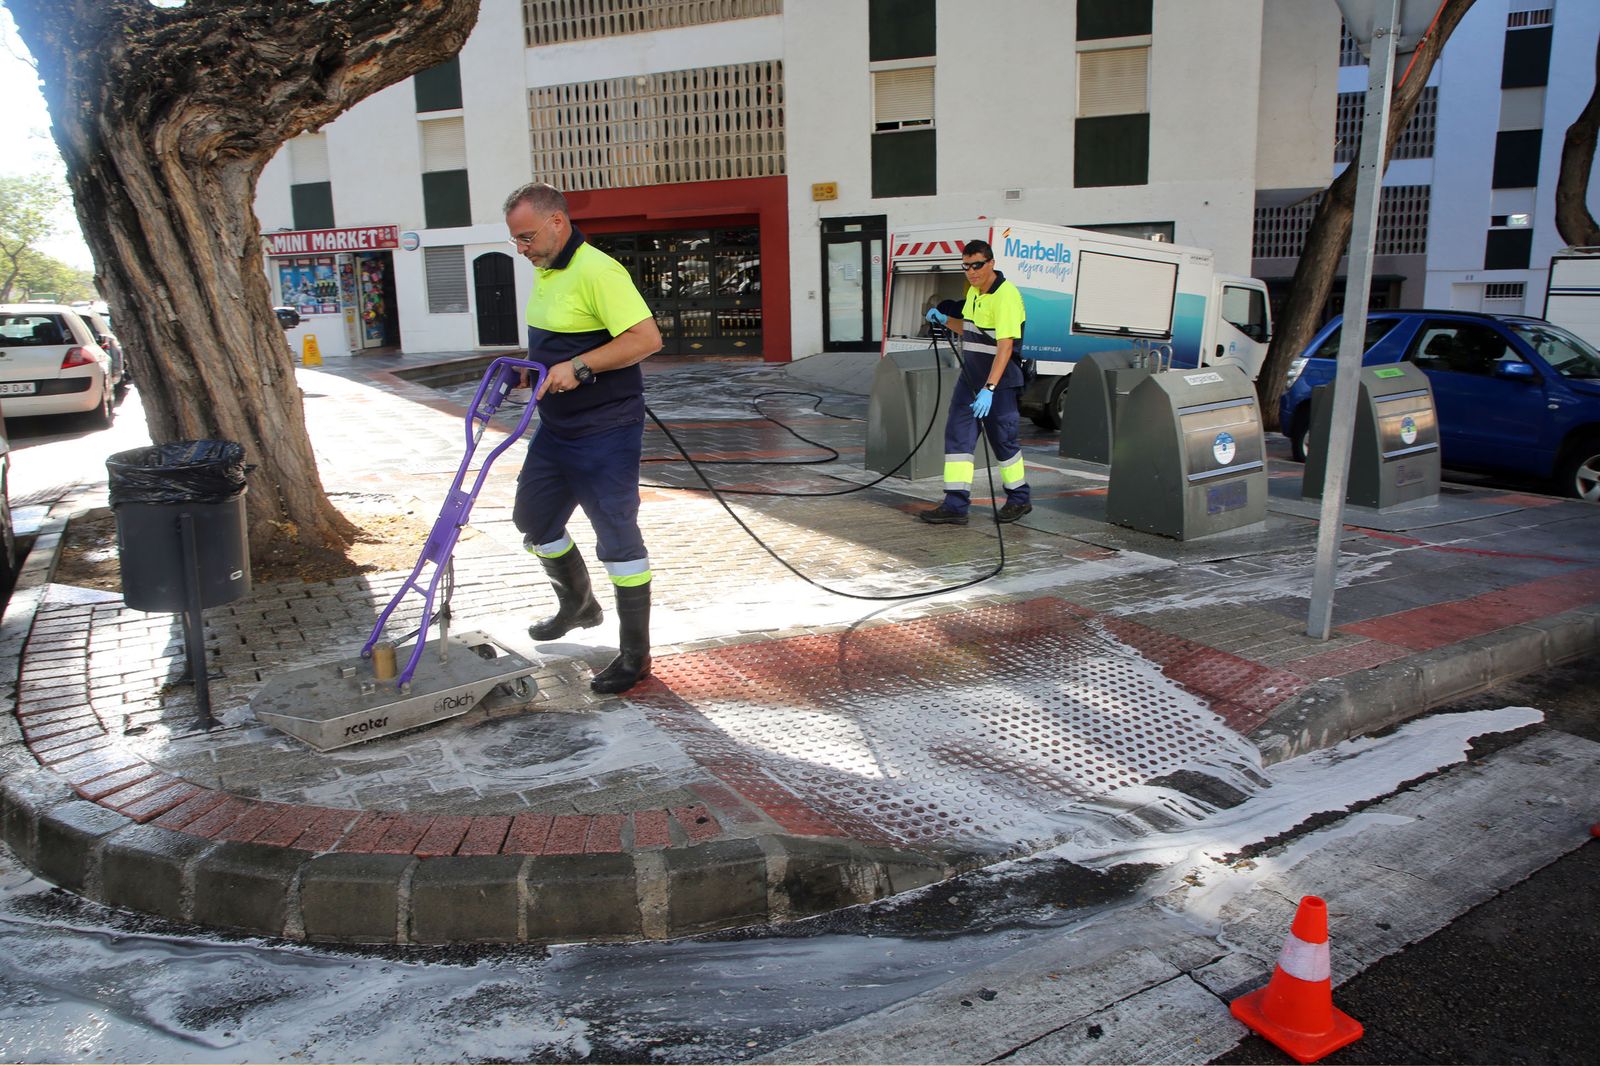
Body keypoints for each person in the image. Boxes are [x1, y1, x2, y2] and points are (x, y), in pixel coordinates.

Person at [504, 182, 664, 693]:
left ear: (557, 222)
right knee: (534, 520)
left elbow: (646, 339)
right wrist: (529, 369)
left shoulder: (599, 270)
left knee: (617, 538)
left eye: (527, 237)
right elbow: (560, 341)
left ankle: (635, 655)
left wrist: (579, 366)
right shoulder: (547, 269)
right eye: (516, 240)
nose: (522, 249)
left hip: (606, 430)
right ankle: (577, 605)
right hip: (557, 428)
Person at [918, 240, 1032, 526]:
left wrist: (989, 389)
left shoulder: (1005, 295)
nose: (971, 271)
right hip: (969, 381)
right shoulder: (973, 292)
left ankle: (1019, 498)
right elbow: (970, 330)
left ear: (991, 263)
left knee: (1003, 441)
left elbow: (1005, 346)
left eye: (977, 265)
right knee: (957, 437)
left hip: (999, 384)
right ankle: (955, 505)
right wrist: (945, 319)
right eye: (966, 266)